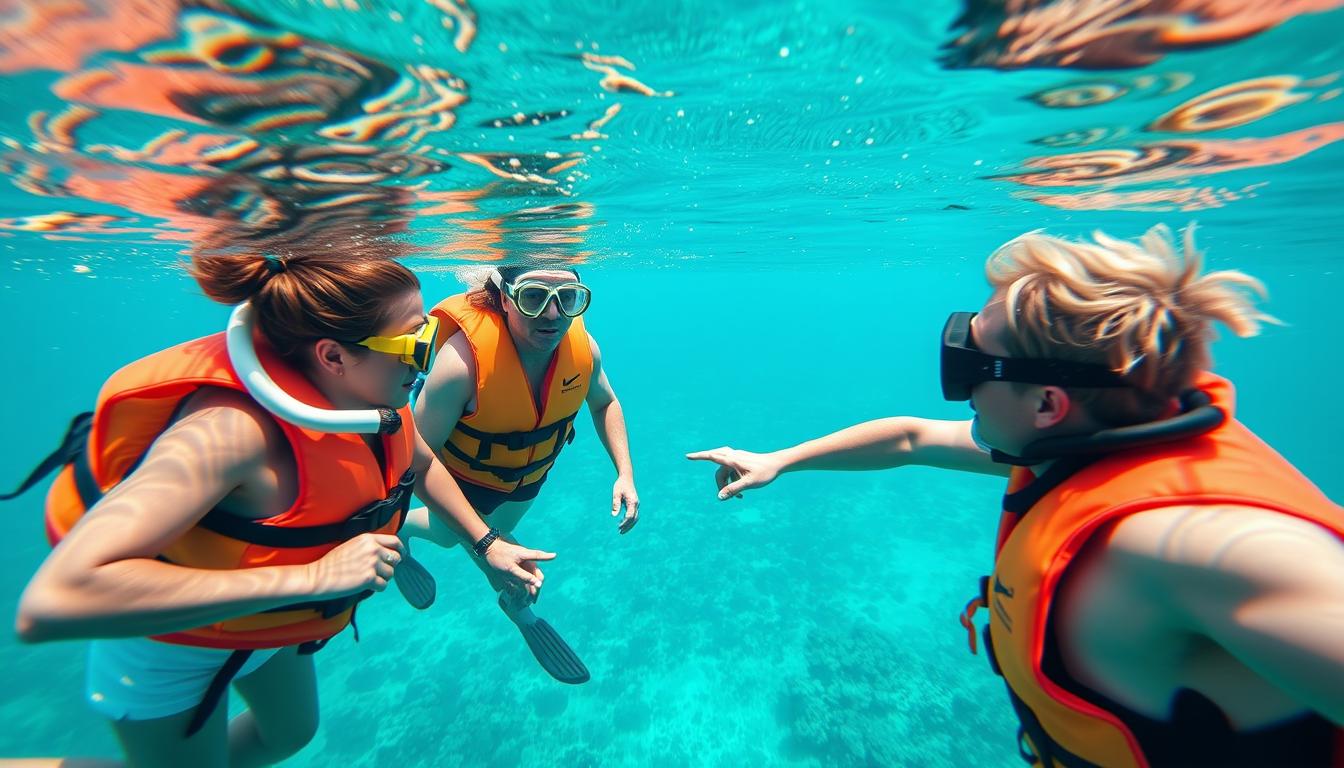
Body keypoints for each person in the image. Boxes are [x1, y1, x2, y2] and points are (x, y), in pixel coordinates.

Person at [688, 225, 1343, 766]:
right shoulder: (1087, 445)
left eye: (970, 367)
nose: (963, 390)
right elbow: (912, 439)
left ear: (1047, 403)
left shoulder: (1189, 541)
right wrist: (779, 461)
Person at [6, 250, 554, 768]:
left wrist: (488, 544)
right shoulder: (228, 434)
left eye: (428, 336)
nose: (428, 360)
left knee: (287, 735)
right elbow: (53, 603)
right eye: (414, 344)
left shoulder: (369, 401)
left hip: (263, 627)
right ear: (333, 355)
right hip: (173, 648)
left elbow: (424, 463)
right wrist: (312, 578)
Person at [400, 265, 638, 683]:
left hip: (527, 480)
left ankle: (405, 529)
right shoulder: (461, 363)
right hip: (460, 483)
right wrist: (486, 540)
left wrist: (625, 473)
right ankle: (519, 609)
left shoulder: (584, 350)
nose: (552, 315)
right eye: (533, 297)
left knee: (453, 537)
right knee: (491, 551)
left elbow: (605, 403)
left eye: (567, 299)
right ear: (505, 297)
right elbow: (414, 458)